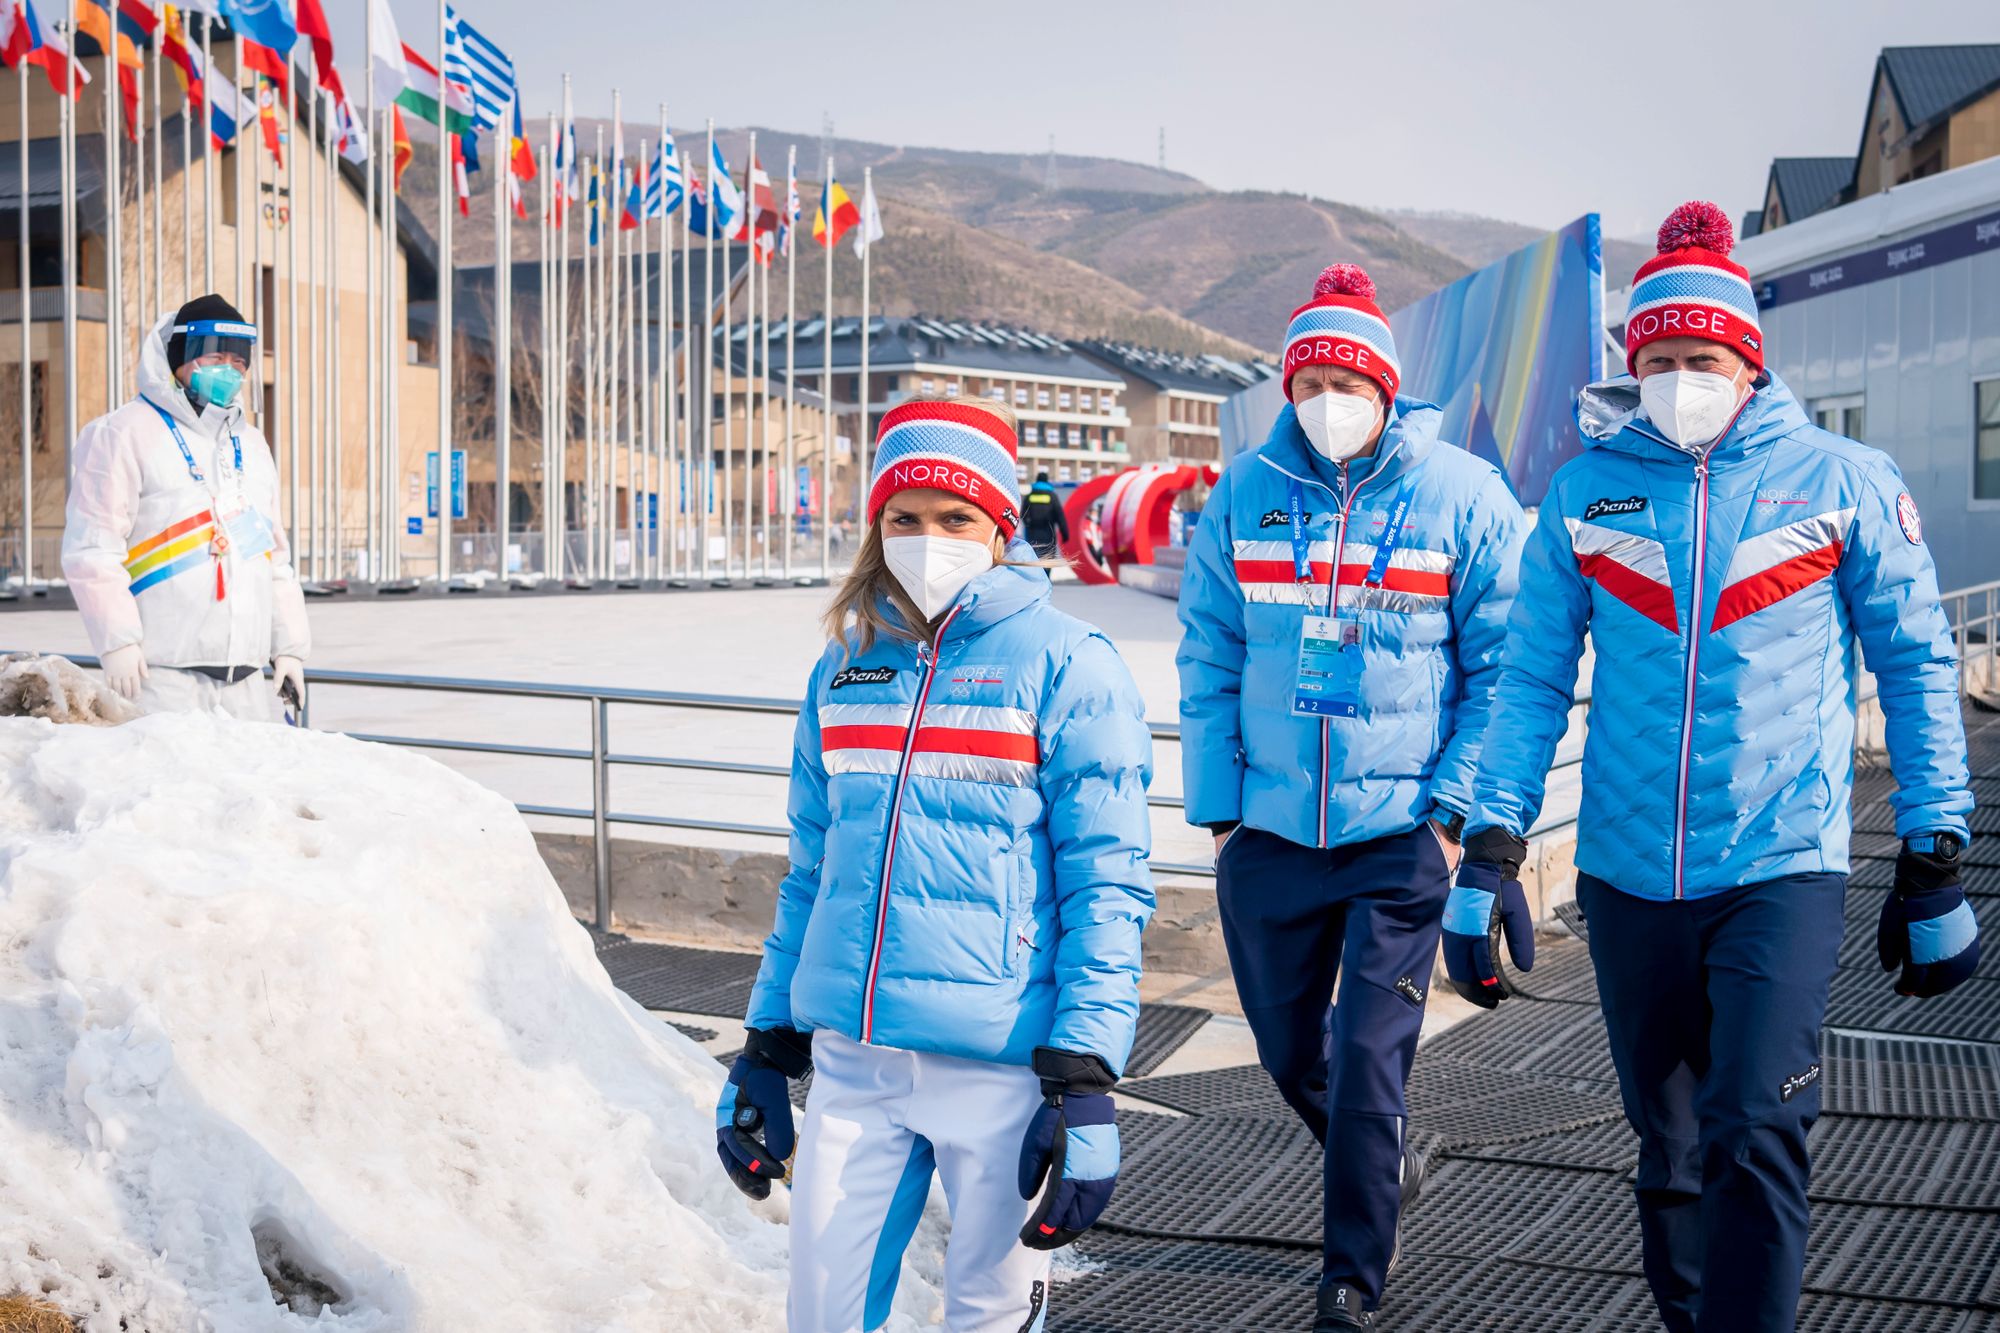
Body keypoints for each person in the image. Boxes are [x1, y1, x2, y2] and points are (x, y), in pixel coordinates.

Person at [1453, 203, 1978, 1333]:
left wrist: (1934, 847)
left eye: (1702, 358)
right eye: (1658, 361)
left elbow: (1915, 655)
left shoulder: (1840, 479)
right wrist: (1490, 841)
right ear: (1630, 367)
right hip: (1627, 874)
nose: (1680, 377)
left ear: (1747, 362)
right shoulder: (1585, 498)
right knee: (1671, 1148)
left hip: (1776, 866)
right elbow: (1529, 679)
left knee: (1754, 1129)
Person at [718, 395, 1155, 1333]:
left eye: (955, 518)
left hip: (999, 1063)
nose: (928, 538)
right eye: (904, 517)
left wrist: (1085, 1075)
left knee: (989, 1314)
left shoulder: (1070, 663)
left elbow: (1106, 883)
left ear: (1000, 526)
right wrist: (763, 1046)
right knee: (824, 1315)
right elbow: (811, 873)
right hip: (854, 1059)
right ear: (877, 526)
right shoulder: (843, 669)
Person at [1176, 263, 1526, 1329]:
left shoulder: (1460, 494)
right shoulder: (1242, 493)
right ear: (1285, 390)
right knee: (1289, 1054)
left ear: (1383, 385)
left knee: (1372, 1056)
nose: (1325, 397)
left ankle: (1348, 1278)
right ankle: (1383, 1163)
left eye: (1345, 377)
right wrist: (1221, 807)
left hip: (1395, 837)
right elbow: (1208, 651)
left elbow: (1500, 667)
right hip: (1270, 836)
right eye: (1305, 379)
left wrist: (1446, 812)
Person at [62, 296, 307, 720]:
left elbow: (273, 560)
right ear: (179, 358)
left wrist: (289, 648)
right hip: (161, 679)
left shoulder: (249, 445)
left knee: (247, 785)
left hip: (245, 683)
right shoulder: (124, 433)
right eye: (214, 356)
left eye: (238, 360)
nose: (228, 370)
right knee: (166, 786)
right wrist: (117, 641)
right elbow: (93, 548)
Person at [1021, 470, 1071, 561]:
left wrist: (1028, 525)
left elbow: (1023, 514)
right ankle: (1046, 574)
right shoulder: (1052, 496)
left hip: (1032, 533)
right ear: (1047, 481)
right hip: (1048, 533)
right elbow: (1060, 516)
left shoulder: (1029, 496)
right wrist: (1065, 535)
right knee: (1047, 559)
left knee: (1034, 558)